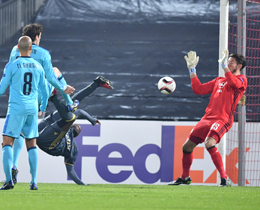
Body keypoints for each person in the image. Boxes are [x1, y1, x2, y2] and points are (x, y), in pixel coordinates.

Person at [12, 76, 113, 185]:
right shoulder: (67, 131)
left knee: (71, 116)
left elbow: (70, 172)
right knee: (70, 106)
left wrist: (92, 120)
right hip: (48, 126)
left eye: (78, 128)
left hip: (48, 144)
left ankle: (53, 97)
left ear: (76, 135)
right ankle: (96, 83)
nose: (78, 127)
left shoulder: (73, 148)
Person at [168, 50, 247, 187]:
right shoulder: (218, 80)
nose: (228, 63)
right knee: (186, 147)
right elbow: (198, 89)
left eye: (231, 62)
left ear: (239, 66)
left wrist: (224, 68)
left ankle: (224, 179)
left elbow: (234, 84)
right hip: (207, 118)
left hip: (222, 119)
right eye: (227, 61)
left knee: (209, 143)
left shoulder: (241, 80)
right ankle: (185, 177)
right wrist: (192, 70)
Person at [0, 36, 49, 190]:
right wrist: (43, 106)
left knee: (7, 142)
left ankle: (8, 180)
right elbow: (45, 90)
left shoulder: (11, 66)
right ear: (30, 48)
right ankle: (33, 182)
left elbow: (1, 89)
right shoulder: (38, 66)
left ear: (17, 48)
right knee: (31, 144)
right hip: (32, 109)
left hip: (16, 109)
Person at [9, 23, 77, 111]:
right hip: (37, 96)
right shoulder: (43, 53)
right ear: (37, 37)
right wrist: (63, 88)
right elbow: (50, 78)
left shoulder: (15, 50)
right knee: (55, 71)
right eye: (40, 36)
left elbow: (10, 72)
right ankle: (70, 103)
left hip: (18, 98)